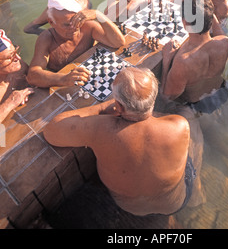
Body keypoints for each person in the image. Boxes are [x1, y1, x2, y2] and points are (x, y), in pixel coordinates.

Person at [43, 66, 196, 219]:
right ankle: (198, 186)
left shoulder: (99, 129)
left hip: (130, 209)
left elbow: (51, 131)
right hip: (175, 204)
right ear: (153, 99)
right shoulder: (179, 125)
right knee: (191, 126)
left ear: (119, 106)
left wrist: (104, 107)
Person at [27, 0, 125, 88]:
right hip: (66, 84)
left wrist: (99, 15)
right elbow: (33, 75)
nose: (74, 28)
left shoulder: (88, 26)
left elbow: (117, 42)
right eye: (67, 25)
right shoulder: (46, 38)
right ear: (51, 22)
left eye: (77, 21)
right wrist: (63, 78)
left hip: (91, 77)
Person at [160, 0, 228, 112]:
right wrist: (207, 11)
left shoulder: (183, 61)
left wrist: (166, 61)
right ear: (211, 18)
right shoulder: (224, 43)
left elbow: (166, 97)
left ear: (184, 22)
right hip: (222, 93)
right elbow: (218, 31)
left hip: (195, 107)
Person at [0, 30, 34, 123]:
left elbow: (33, 78)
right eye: (10, 57)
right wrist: (10, 103)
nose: (18, 58)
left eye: (15, 51)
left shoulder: (18, 66)